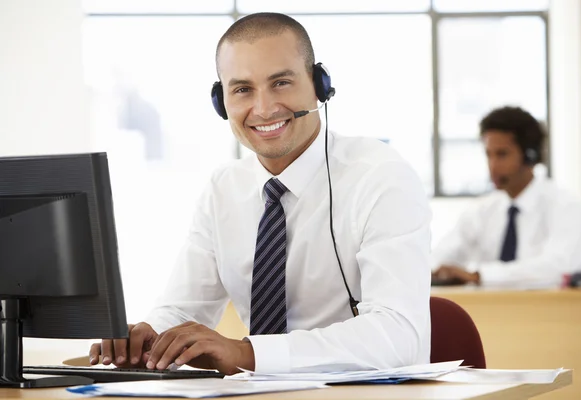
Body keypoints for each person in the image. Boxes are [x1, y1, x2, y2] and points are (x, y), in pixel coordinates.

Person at [89, 13, 432, 375]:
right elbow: (183, 309)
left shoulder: (380, 177)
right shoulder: (224, 189)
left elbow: (400, 336)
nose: (264, 108)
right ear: (221, 102)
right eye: (242, 89)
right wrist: (150, 337)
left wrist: (248, 355)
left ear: (319, 85)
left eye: (281, 82)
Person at [432, 106, 581, 287]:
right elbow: (439, 257)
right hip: (489, 312)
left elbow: (560, 268)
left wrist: (479, 276)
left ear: (530, 156)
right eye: (488, 154)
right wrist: (438, 270)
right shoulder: (482, 210)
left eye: (502, 154)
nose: (492, 166)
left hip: (548, 312)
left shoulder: (566, 205)